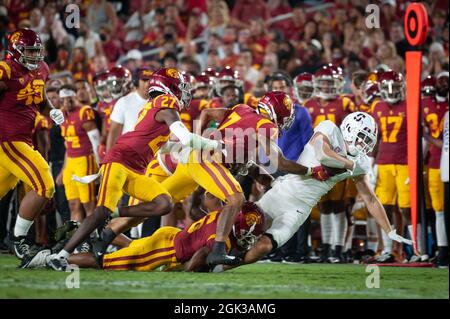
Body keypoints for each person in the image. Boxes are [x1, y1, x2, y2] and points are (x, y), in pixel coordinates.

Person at [46, 68, 221, 271]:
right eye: (180, 87)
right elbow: (187, 138)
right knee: (101, 209)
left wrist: (184, 149)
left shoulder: (153, 105)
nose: (184, 92)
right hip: (120, 161)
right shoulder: (167, 104)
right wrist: (218, 145)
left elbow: (160, 144)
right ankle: (61, 254)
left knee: (164, 204)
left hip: (135, 168)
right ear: (169, 87)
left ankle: (112, 216)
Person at [217, 112, 413, 271]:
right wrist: (348, 163)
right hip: (281, 193)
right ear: (349, 130)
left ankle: (223, 268)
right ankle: (203, 252)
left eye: (368, 140)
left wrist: (390, 231)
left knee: (264, 247)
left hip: (300, 209)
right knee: (239, 229)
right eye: (362, 138)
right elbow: (322, 153)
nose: (364, 144)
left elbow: (371, 199)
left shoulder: (360, 163)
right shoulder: (330, 128)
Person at [160, 91, 329, 267]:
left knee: (179, 204)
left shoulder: (241, 109)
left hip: (199, 159)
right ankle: (217, 249)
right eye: (285, 116)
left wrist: (198, 139)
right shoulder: (267, 126)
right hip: (211, 164)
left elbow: (207, 113)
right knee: (233, 200)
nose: (285, 121)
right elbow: (281, 163)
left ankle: (201, 246)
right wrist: (310, 171)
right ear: (275, 113)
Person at [22, 202, 266, 272]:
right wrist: (187, 272)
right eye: (246, 232)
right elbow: (203, 254)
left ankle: (87, 233)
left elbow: (197, 210)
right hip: (167, 250)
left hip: (170, 235)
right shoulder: (223, 236)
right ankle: (48, 258)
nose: (247, 238)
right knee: (103, 262)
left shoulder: (224, 215)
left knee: (134, 247)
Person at [0, 29, 64, 259]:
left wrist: (51, 110)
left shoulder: (42, 69)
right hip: (8, 140)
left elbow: (39, 97)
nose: (35, 56)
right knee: (45, 184)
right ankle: (18, 240)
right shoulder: (6, 70)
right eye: (29, 51)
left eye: (37, 51)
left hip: (21, 139)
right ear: (16, 52)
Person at [305, 64, 356, 263]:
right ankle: (326, 247)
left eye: (330, 83)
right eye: (323, 83)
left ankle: (337, 247)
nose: (326, 87)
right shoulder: (310, 104)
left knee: (339, 205)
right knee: (324, 206)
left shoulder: (345, 103)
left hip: (339, 160)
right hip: (318, 160)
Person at [57, 85, 100, 225]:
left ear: (76, 96)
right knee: (73, 204)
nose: (67, 103)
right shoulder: (61, 114)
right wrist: (64, 169)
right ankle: (78, 240)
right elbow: (66, 145)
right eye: (63, 100)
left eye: (70, 99)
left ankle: (94, 237)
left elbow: (96, 141)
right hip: (71, 161)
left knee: (89, 203)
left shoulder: (84, 111)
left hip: (85, 159)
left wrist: (101, 165)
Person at [422, 71, 449, 267]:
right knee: (438, 210)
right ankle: (441, 249)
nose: (443, 84)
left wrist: (429, 138)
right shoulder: (425, 105)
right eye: (441, 80)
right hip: (433, 163)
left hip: (443, 159)